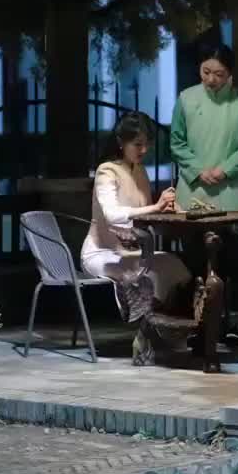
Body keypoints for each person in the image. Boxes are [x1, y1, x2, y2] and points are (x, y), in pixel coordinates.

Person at [81, 112, 193, 365]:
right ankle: (145, 337)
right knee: (148, 273)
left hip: (131, 252)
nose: (144, 150)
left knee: (174, 265)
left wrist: (165, 209)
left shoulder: (140, 171)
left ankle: (161, 330)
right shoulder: (106, 171)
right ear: (121, 142)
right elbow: (112, 215)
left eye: (147, 144)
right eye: (138, 144)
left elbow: (143, 214)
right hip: (102, 253)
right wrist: (155, 207)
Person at [170, 43, 238, 211]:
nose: (211, 79)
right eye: (206, 72)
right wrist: (198, 170)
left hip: (233, 192)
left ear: (229, 74)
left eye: (219, 74)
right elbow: (177, 143)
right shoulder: (185, 99)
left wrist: (226, 169)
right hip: (194, 189)